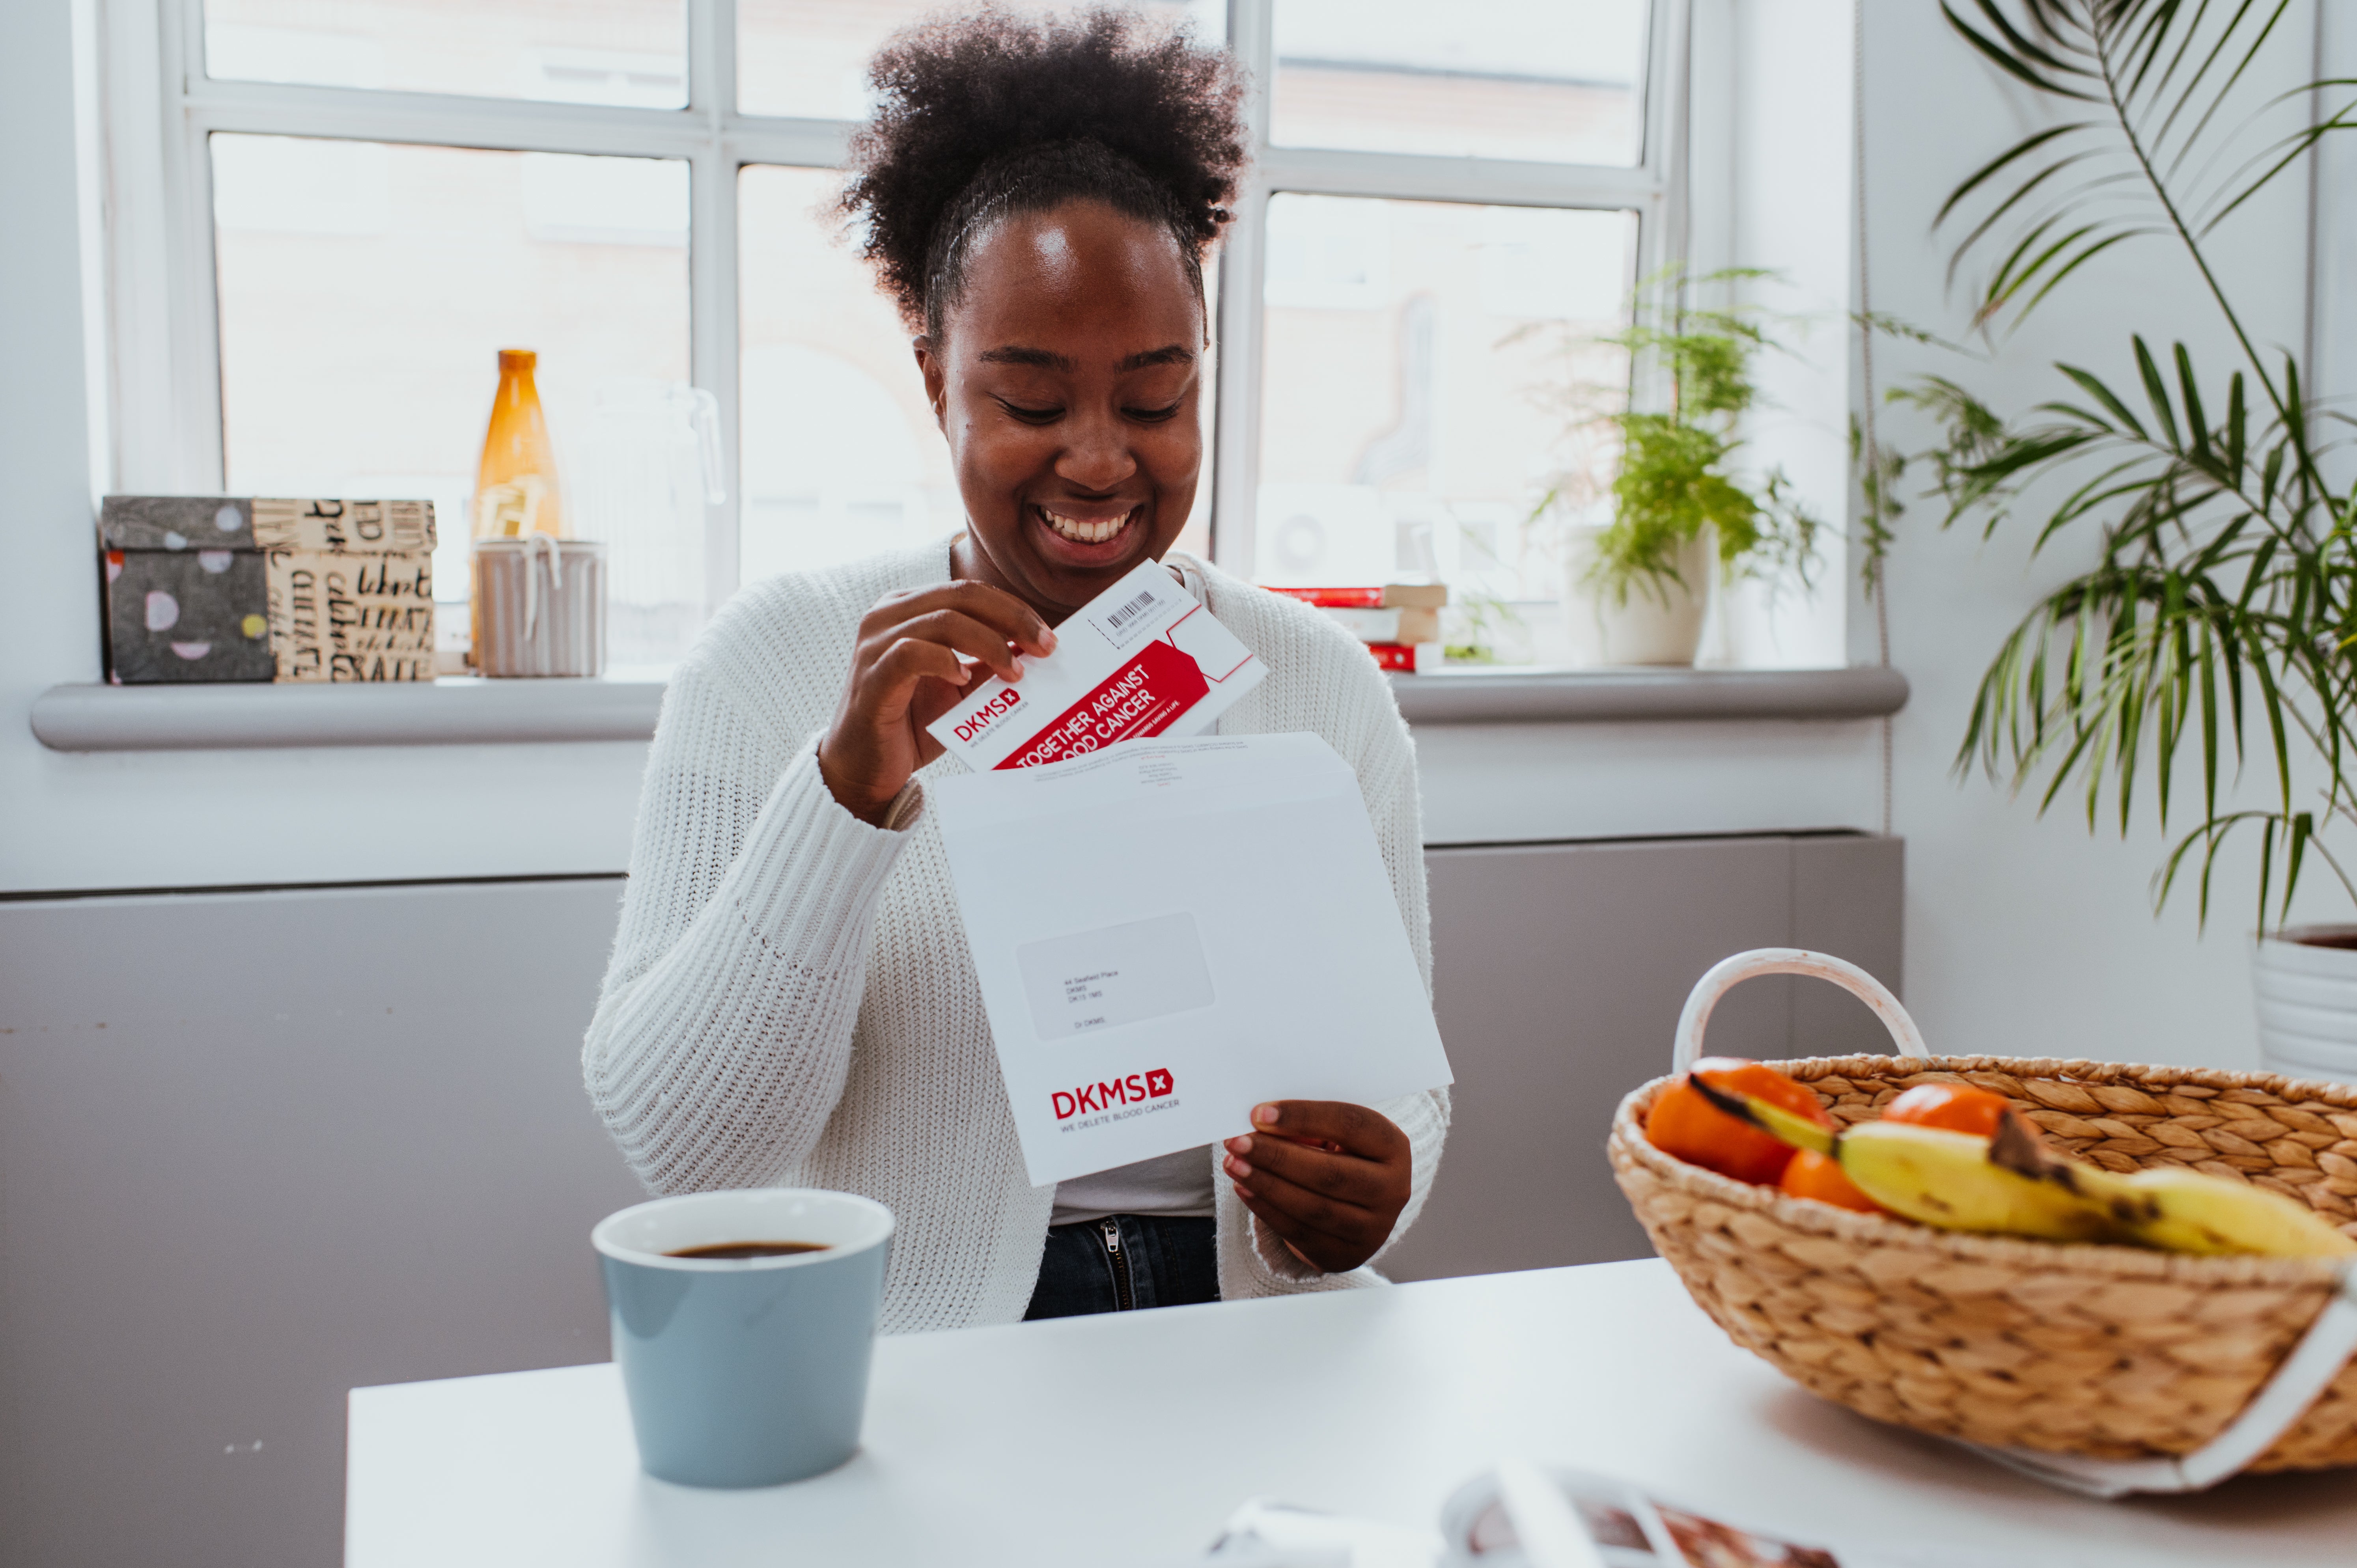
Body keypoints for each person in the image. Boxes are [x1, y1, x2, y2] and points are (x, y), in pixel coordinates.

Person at [582, 6, 1449, 1333]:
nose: (1099, 459)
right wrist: (844, 796)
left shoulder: (1317, 684)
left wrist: (1371, 1185)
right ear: (936, 377)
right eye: (1032, 402)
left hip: (1257, 1325)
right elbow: (685, 1150)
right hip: (932, 1339)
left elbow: (1400, 1081)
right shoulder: (769, 664)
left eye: (1155, 400)